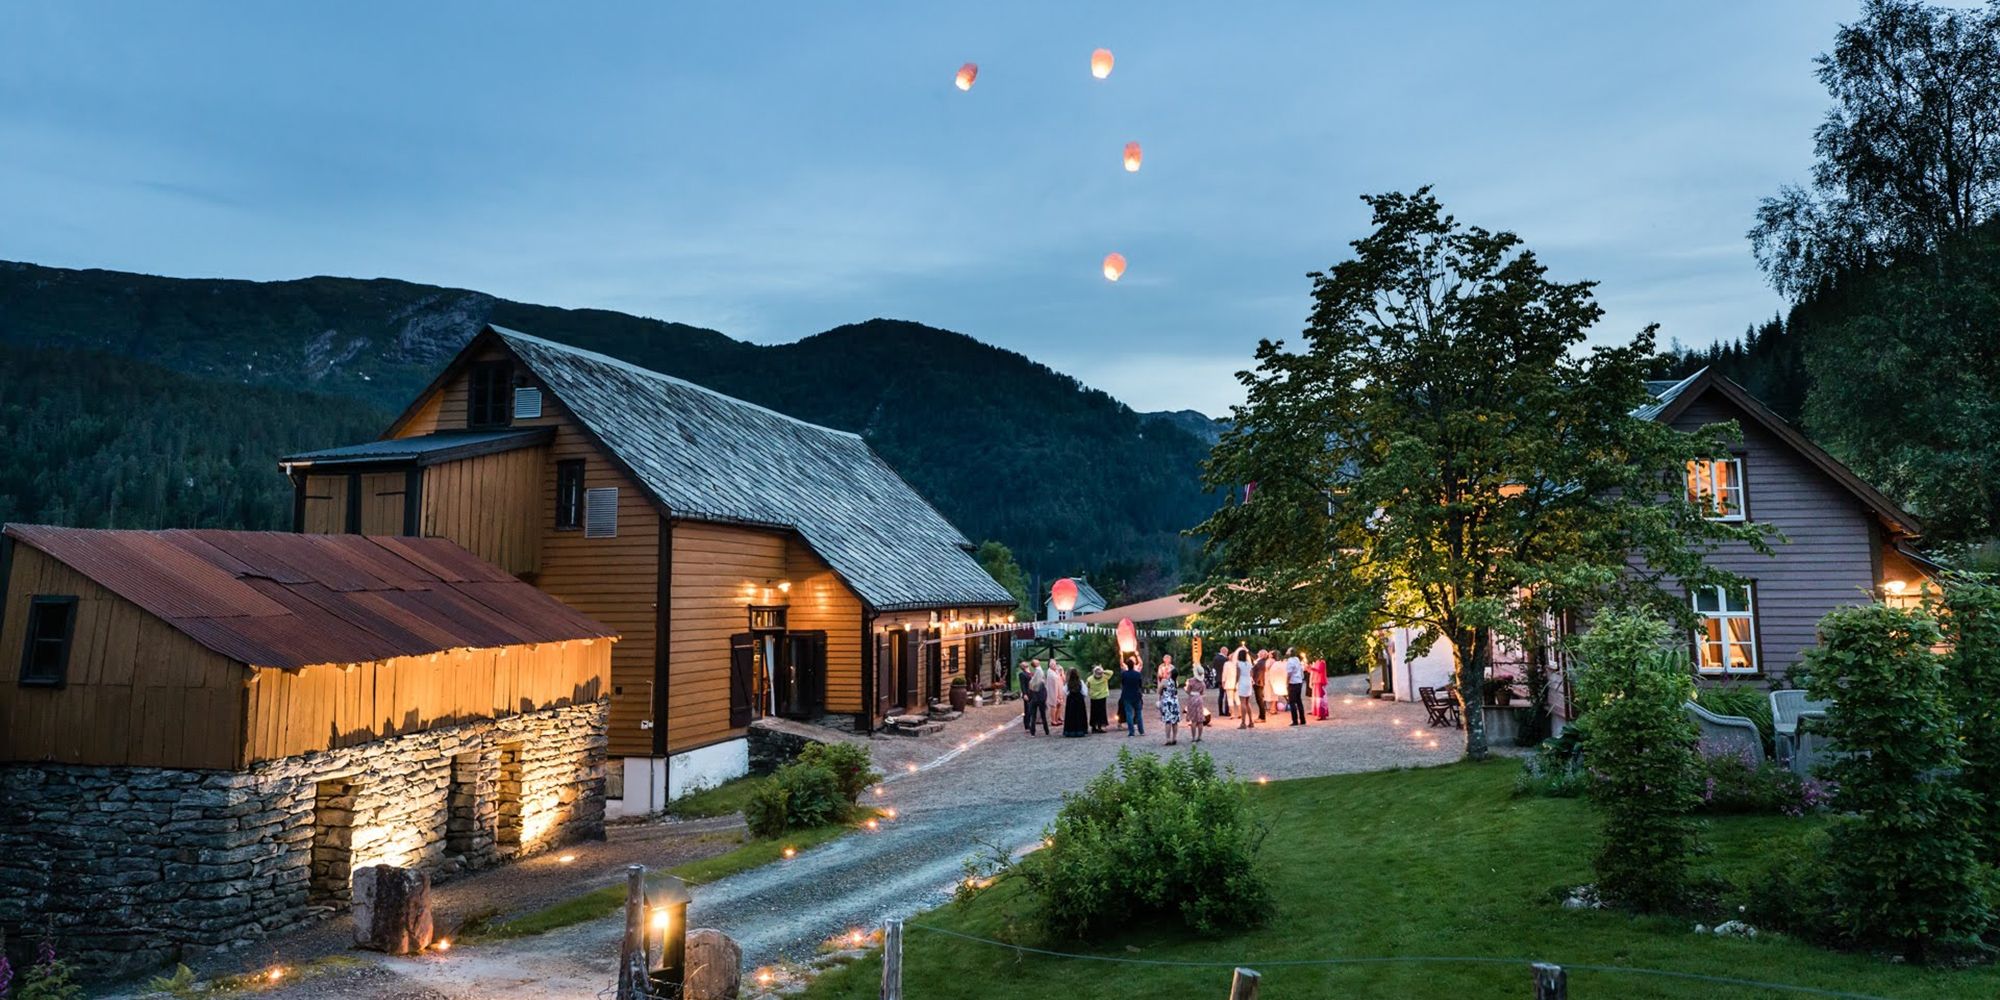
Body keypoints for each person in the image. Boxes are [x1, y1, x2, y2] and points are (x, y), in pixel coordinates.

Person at [1119, 654, 1146, 737]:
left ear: (1127, 665)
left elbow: (1123, 683)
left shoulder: (1124, 674)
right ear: (1134, 665)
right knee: (1139, 713)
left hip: (1127, 695)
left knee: (1129, 714)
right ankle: (1141, 731)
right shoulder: (1137, 674)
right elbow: (1140, 684)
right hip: (1136, 695)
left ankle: (1131, 732)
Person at [1158, 669, 1182, 746]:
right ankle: (1174, 738)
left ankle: (1168, 739)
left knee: (1168, 721)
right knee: (1175, 722)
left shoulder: (1165, 681)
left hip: (1167, 703)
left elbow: (1159, 691)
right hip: (1175, 702)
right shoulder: (1176, 682)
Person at [1063, 668, 1090, 737]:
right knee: (1080, 715)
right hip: (1079, 700)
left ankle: (1070, 731)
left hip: (1071, 700)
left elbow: (1065, 691)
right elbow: (1084, 692)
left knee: (1070, 715)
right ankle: (1080, 730)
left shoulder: (1068, 683)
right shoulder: (1080, 682)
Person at [1284, 647, 1307, 726]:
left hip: (1293, 683)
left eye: (1288, 651)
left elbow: (1289, 673)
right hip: (1299, 681)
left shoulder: (1290, 661)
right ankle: (1303, 719)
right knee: (1299, 701)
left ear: (1290, 653)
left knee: (1292, 702)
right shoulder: (1297, 659)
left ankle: (1295, 720)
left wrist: (1286, 682)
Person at [1184, 668, 1208, 743]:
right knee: (1200, 719)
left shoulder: (1191, 681)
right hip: (1199, 699)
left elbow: (1188, 691)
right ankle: (1199, 737)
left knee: (1193, 720)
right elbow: (1203, 693)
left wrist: (1186, 690)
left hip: (1192, 698)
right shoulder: (1202, 683)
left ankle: (1193, 737)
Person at [1234, 648, 1256, 728]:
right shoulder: (1249, 664)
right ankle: (1251, 721)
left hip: (1242, 681)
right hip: (1248, 681)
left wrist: (1235, 684)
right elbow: (1251, 674)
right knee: (1247, 702)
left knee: (1242, 702)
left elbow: (1238, 675)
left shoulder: (1238, 663)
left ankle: (1243, 723)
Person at [1087, 665, 1110, 733]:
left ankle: (1093, 726)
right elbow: (1111, 672)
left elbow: (1087, 685)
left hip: (1093, 697)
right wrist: (1103, 671)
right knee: (1102, 712)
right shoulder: (1105, 677)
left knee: (1094, 712)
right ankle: (1101, 726)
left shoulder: (1090, 679)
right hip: (1102, 696)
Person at [1019, 659, 1038, 733]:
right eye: (1024, 663)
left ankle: (1032, 723)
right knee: (1027, 709)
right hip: (1027, 693)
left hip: (1033, 692)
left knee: (1033, 709)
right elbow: (1022, 685)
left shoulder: (1030, 672)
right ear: (1023, 666)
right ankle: (1027, 725)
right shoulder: (1022, 674)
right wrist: (1024, 694)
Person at [1251, 650, 1269, 722]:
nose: (1258, 654)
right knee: (1259, 700)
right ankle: (1261, 716)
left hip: (1258, 683)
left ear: (1262, 655)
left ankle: (1262, 717)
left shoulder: (1261, 662)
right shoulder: (1260, 661)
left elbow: (1260, 672)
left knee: (1260, 700)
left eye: (1259, 653)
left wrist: (1256, 681)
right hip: (1258, 682)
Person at [1309, 656, 1330, 720]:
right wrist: (1308, 668)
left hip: (1320, 681)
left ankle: (1322, 714)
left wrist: (1311, 668)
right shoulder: (1316, 662)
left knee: (1320, 698)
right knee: (1317, 699)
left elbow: (1319, 670)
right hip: (1316, 681)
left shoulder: (1322, 662)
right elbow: (1314, 671)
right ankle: (1318, 713)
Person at [1219, 651, 1238, 719]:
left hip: (1229, 683)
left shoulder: (1226, 664)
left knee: (1230, 699)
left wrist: (1223, 682)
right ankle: (1240, 713)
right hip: (1236, 683)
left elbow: (1224, 674)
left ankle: (1232, 714)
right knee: (1237, 699)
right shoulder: (1237, 664)